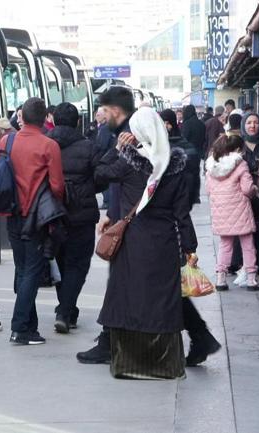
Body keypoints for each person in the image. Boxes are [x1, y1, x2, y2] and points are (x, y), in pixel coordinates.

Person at [96, 107, 200, 379]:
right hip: (164, 245)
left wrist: (117, 147)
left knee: (130, 299)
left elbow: (99, 174)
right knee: (162, 304)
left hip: (133, 244)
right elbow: (182, 213)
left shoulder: (128, 163)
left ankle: (129, 364)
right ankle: (165, 365)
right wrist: (190, 248)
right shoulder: (175, 165)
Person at [0, 97, 65, 345]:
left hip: (11, 214)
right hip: (36, 217)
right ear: (46, 118)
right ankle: (20, 328)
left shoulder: (6, 140)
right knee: (32, 273)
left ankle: (30, 326)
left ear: (21, 117)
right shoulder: (49, 146)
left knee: (22, 269)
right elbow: (57, 186)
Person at [77, 86, 135, 364]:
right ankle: (200, 336)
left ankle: (108, 343)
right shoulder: (132, 132)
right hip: (131, 220)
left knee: (121, 286)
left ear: (114, 110)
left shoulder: (129, 138)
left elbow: (105, 172)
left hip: (134, 225)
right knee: (149, 287)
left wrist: (116, 149)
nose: (100, 114)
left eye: (102, 109)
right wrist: (111, 211)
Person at [46, 103, 102, 333]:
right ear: (78, 121)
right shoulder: (89, 146)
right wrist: (86, 188)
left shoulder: (45, 144)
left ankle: (67, 310)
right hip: (82, 213)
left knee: (60, 262)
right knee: (78, 264)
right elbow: (101, 178)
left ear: (54, 120)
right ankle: (65, 311)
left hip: (52, 212)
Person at [205, 135, 259, 290]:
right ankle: (251, 279)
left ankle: (221, 278)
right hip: (240, 209)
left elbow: (208, 190)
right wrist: (255, 190)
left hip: (221, 211)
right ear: (237, 149)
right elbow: (247, 188)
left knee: (225, 244)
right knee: (248, 244)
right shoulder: (241, 164)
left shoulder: (211, 167)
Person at [161, 109, 200, 208]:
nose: (165, 126)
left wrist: (193, 195)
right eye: (162, 123)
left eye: (168, 123)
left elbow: (194, 172)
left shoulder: (185, 144)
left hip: (182, 195)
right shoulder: (156, 146)